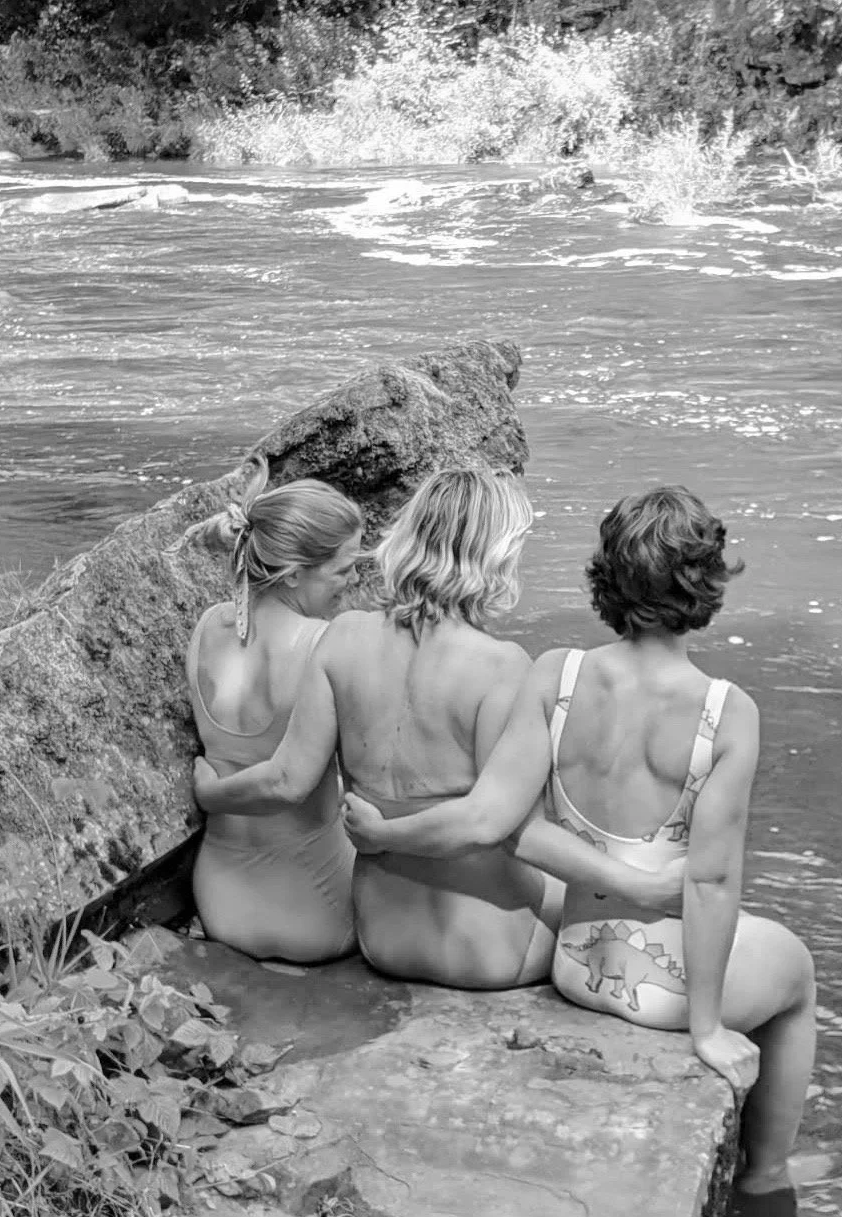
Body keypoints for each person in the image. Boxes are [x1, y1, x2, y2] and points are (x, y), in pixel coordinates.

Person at [344, 485, 816, 1217]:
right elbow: (714, 879)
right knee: (796, 975)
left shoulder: (556, 673)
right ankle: (765, 1179)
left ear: (606, 579)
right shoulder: (725, 710)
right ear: (707, 583)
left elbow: (514, 827)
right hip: (661, 989)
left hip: (575, 962)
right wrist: (707, 1028)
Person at [193, 468, 689, 990]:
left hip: (382, 938)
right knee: (602, 878)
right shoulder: (504, 666)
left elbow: (290, 776)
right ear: (495, 556)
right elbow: (494, 827)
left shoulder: (341, 638)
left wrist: (216, 794)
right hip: (487, 950)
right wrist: (642, 886)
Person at [179, 455, 363, 963]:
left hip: (219, 901)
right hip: (316, 911)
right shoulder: (325, 644)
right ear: (291, 575)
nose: (350, 582)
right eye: (343, 569)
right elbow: (289, 782)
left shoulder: (206, 627)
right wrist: (212, 797)